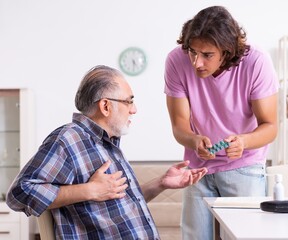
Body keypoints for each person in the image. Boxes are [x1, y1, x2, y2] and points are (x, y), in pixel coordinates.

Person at [6, 65, 207, 240]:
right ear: (105, 106)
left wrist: (161, 182)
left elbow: (121, 202)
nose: (134, 109)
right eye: (129, 101)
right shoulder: (69, 138)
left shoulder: (108, 144)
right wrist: (90, 190)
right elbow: (19, 193)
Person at [164, 5, 278, 240]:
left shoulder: (256, 62)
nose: (197, 63)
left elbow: (270, 126)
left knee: (245, 236)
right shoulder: (176, 60)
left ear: (227, 51)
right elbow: (179, 124)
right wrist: (194, 140)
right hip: (198, 168)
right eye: (193, 52)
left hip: (244, 165)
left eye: (207, 55)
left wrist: (243, 141)